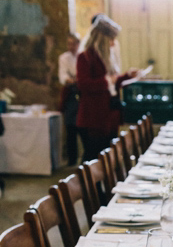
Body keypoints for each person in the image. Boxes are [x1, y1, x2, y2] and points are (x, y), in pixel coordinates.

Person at [76, 15, 141, 162]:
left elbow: (113, 82)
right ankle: (90, 185)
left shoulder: (106, 57)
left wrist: (127, 76)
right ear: (102, 39)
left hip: (107, 116)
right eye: (111, 39)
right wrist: (107, 80)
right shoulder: (85, 57)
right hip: (93, 117)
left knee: (106, 158)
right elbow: (84, 85)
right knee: (93, 158)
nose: (113, 44)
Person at [58, 33, 81, 165]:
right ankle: (72, 159)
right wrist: (71, 80)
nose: (71, 46)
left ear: (78, 44)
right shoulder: (64, 57)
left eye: (73, 43)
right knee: (70, 127)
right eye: (69, 44)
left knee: (82, 127)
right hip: (71, 94)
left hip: (81, 93)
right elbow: (63, 76)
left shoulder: (82, 56)